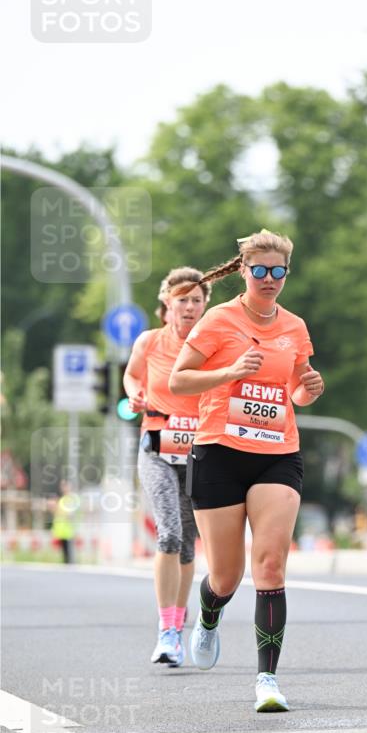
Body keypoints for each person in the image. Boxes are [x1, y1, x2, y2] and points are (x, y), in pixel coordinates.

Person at [169, 229, 324, 712]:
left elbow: (294, 390)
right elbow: (179, 380)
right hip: (218, 451)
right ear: (243, 270)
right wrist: (230, 372)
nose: (270, 279)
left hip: (278, 451)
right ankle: (209, 614)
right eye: (260, 270)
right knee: (227, 576)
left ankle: (267, 679)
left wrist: (308, 391)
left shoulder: (295, 327)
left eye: (279, 271)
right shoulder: (219, 320)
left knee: (271, 565)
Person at [123, 268, 210, 667]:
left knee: (189, 544)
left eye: (196, 300)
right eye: (182, 300)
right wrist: (135, 394)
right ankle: (168, 632)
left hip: (199, 451)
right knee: (170, 534)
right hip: (156, 444)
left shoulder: (213, 345)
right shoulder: (150, 341)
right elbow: (131, 374)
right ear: (167, 305)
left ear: (205, 304)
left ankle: (179, 615)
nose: (189, 307)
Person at [51, 479, 79, 563]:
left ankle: (71, 564)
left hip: (69, 530)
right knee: (65, 552)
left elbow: (71, 514)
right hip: (62, 530)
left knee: (69, 552)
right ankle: (67, 564)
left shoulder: (71, 499)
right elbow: (58, 514)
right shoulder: (62, 500)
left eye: (65, 486)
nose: (63, 488)